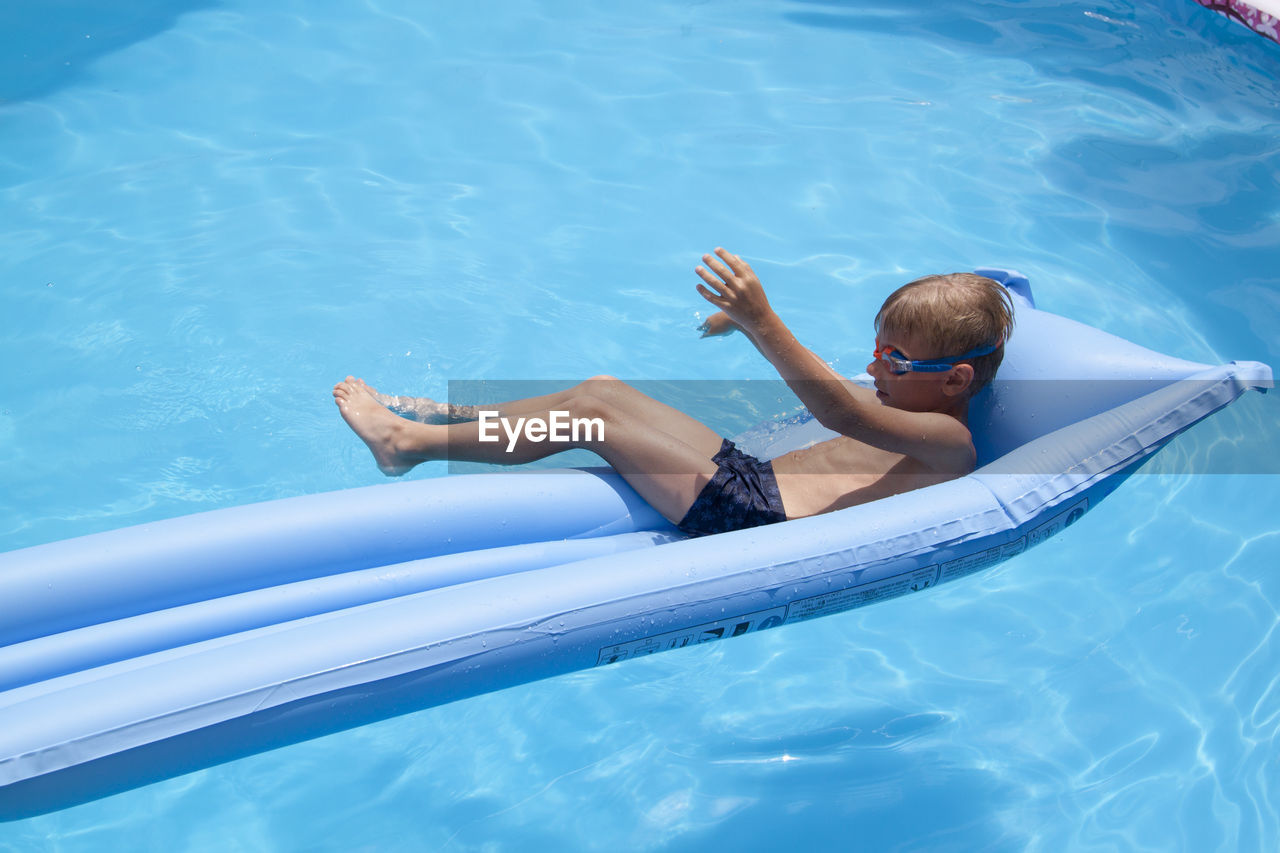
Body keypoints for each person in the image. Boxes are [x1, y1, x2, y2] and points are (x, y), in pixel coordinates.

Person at [333, 248, 1014, 537]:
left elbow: (834, 408)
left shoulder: (949, 442)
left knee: (593, 418)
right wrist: (746, 331)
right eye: (875, 350)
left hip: (756, 518)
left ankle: (406, 445)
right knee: (603, 389)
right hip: (748, 478)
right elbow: (838, 389)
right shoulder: (903, 403)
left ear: (956, 379)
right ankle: (467, 422)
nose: (876, 368)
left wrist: (761, 320)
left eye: (895, 359)